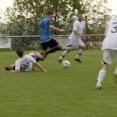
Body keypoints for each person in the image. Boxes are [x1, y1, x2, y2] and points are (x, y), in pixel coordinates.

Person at [96, 17, 117, 89]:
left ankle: (98, 83)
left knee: (105, 65)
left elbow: (106, 34)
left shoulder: (111, 21)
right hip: (116, 44)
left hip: (107, 44)